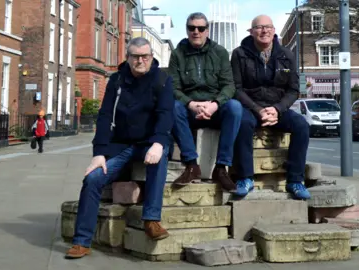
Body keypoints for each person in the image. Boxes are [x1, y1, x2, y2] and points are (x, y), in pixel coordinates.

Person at [65, 37, 175, 259]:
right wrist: (99, 154)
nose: (140, 60)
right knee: (93, 179)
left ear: (151, 57)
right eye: (135, 56)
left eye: (145, 56)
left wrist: (158, 142)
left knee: (159, 158)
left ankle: (151, 220)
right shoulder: (116, 80)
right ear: (128, 57)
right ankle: (81, 241)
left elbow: (166, 114)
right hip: (121, 146)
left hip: (148, 143)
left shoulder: (163, 80)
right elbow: (105, 117)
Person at [231, 15, 311, 200]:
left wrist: (277, 109)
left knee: (301, 125)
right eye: (259, 27)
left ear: (274, 30)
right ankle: (245, 178)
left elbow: (293, 89)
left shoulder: (287, 55)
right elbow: (236, 88)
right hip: (251, 108)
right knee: (242, 123)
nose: (264, 31)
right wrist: (258, 109)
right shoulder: (239, 54)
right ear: (251, 32)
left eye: (268, 27)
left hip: (277, 108)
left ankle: (295, 181)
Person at [168, 12, 242, 192]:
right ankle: (192, 165)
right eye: (192, 28)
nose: (196, 32)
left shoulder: (220, 52)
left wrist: (215, 104)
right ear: (187, 30)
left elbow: (229, 86)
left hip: (214, 108)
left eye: (201, 28)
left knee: (235, 107)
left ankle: (221, 168)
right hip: (190, 109)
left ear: (207, 31)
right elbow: (173, 88)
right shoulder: (178, 54)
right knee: (172, 106)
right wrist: (191, 104)